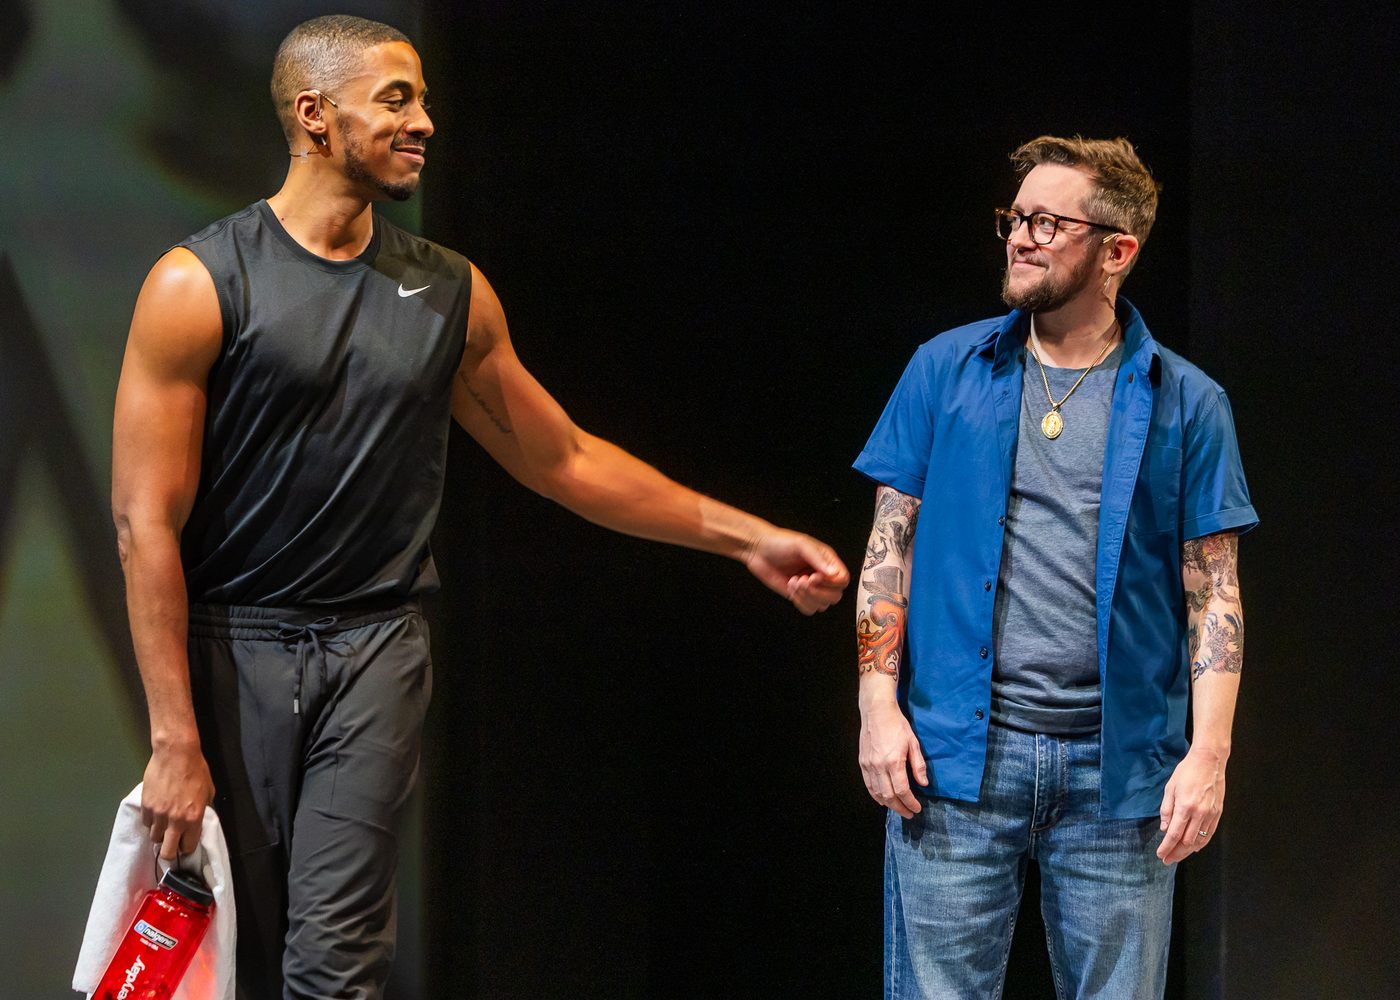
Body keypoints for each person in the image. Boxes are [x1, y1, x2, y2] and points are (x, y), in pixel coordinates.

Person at [110, 15, 848, 999]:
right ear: (315, 116)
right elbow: (144, 523)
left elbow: (566, 459)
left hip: (375, 649)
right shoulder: (199, 283)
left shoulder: (447, 292)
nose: (425, 121)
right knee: (217, 950)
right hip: (230, 644)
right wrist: (173, 735)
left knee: (337, 965)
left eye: (423, 98)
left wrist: (748, 537)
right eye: (396, 100)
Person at [852, 135, 1257, 999]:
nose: (1019, 237)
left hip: (1118, 774)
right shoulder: (945, 369)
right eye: (1015, 218)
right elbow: (890, 549)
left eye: (1046, 222)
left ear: (1117, 251)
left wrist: (1210, 756)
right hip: (955, 764)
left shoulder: (1188, 402)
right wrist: (876, 708)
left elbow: (1215, 592)